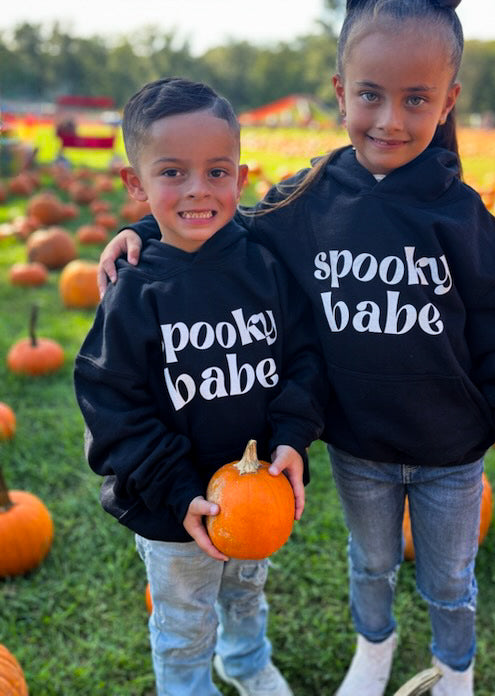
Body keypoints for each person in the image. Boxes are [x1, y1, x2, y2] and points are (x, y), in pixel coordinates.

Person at [97, 0, 495, 696]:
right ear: (342, 90)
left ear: (448, 101)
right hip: (358, 447)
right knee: (369, 564)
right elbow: (216, 222)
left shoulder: (461, 217)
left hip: (452, 451)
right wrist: (143, 234)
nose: (390, 119)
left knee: (452, 578)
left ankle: (456, 670)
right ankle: (375, 650)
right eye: (370, 94)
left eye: (416, 100)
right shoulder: (306, 196)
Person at [75, 77, 325, 696]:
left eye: (216, 172)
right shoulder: (135, 291)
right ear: (137, 185)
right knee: (184, 623)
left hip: (258, 493)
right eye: (172, 172)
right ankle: (189, 688)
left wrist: (293, 437)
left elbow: (304, 358)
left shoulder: (265, 263)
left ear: (240, 179)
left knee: (246, 594)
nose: (197, 190)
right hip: (173, 510)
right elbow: (114, 412)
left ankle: (245, 662)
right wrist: (179, 492)